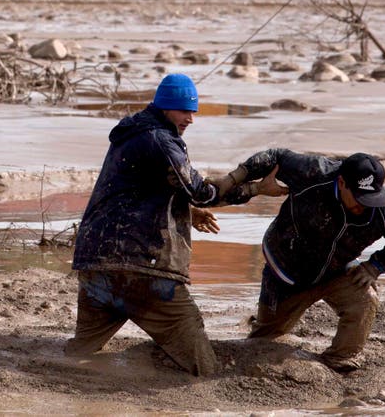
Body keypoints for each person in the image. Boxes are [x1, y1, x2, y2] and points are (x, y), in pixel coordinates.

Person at [67, 74, 279, 376]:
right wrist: (253, 187)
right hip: (141, 267)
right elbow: (202, 192)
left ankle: (58, 376)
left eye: (193, 111)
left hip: (95, 262)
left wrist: (187, 213)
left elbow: (133, 194)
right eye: (184, 111)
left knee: (79, 353)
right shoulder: (161, 141)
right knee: (203, 367)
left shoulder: (131, 133)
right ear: (166, 107)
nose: (190, 119)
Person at [211, 149, 385, 372]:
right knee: (264, 340)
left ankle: (340, 359)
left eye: (370, 198)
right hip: (285, 272)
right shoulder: (313, 173)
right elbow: (274, 156)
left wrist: (375, 266)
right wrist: (233, 178)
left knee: (365, 298)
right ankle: (262, 325)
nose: (364, 205)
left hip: (338, 269)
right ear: (341, 183)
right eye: (359, 198)